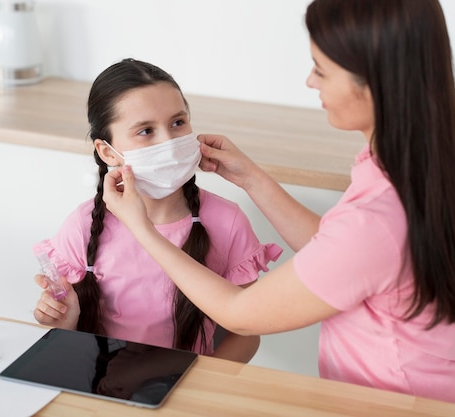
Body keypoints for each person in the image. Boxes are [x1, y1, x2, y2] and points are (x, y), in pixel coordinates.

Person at [101, 0, 455, 406]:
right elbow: (344, 253)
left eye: (320, 69)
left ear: (375, 81)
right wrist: (251, 177)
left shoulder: (377, 218)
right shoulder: (407, 168)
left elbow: (239, 313)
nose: (309, 81)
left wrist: (142, 229)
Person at [32, 58, 282, 363]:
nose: (168, 141)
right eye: (145, 131)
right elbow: (69, 346)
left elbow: (246, 333)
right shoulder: (83, 226)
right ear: (108, 152)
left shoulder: (227, 223)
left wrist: (191, 389)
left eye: (178, 122)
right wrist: (64, 322)